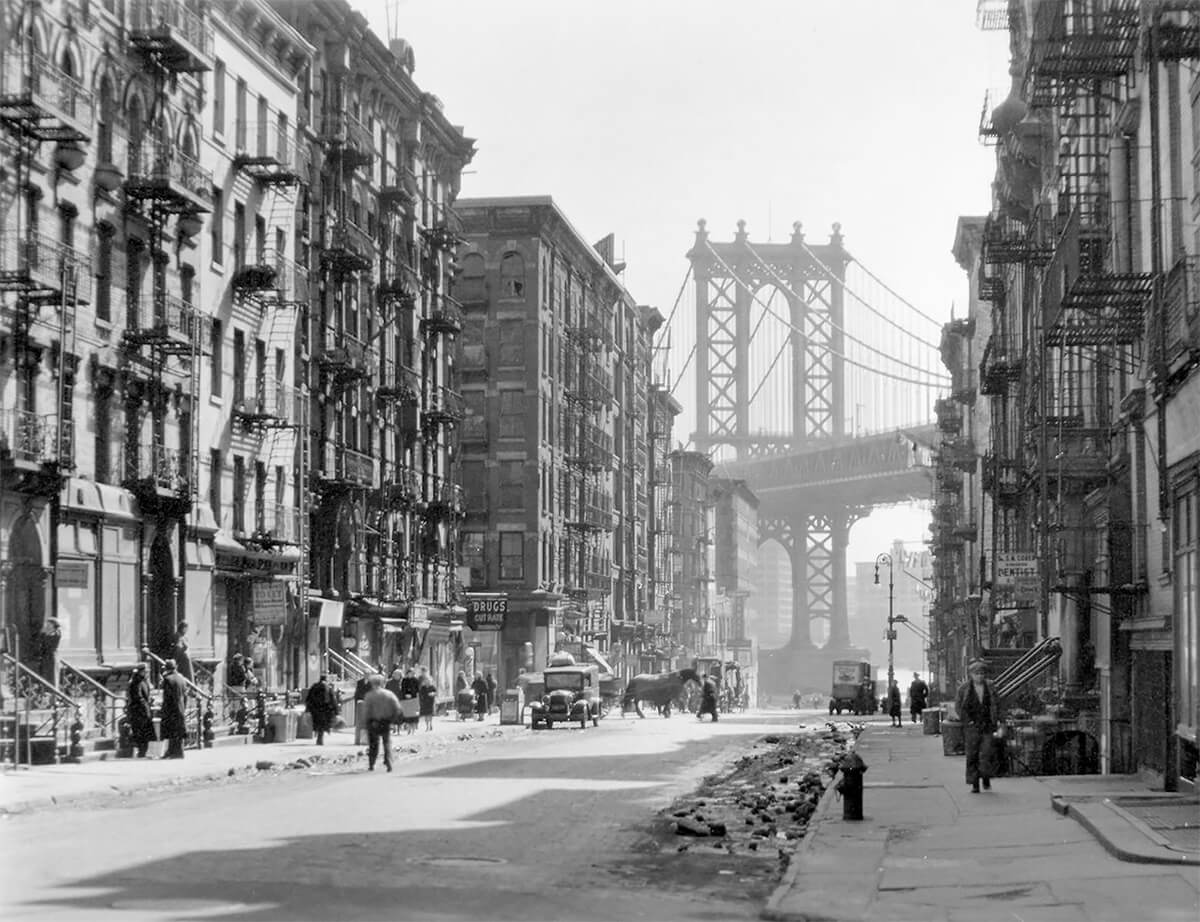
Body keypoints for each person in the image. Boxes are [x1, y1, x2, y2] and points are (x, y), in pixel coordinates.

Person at [955, 659, 1000, 793]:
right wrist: (967, 721)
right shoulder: (964, 688)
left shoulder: (990, 687)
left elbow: (997, 704)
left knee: (986, 753)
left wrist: (999, 720)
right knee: (972, 755)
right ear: (971, 675)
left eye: (982, 673)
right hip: (971, 727)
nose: (980, 676)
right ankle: (975, 783)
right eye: (976, 673)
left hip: (987, 725)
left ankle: (986, 777)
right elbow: (958, 706)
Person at [361, 673, 402, 772]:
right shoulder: (389, 694)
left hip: (373, 721)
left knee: (373, 744)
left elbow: (366, 711)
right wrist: (392, 719)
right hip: (385, 721)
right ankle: (388, 762)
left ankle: (372, 764)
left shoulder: (369, 696)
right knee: (386, 742)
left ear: (372, 684)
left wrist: (365, 723)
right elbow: (397, 708)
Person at [159, 658, 189, 759]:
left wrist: (164, 709)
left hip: (171, 708)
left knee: (171, 731)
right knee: (178, 731)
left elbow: (167, 697)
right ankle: (178, 752)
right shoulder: (181, 678)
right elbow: (185, 695)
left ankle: (172, 752)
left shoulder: (168, 679)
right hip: (180, 707)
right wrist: (184, 706)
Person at [125, 663, 157, 758]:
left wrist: (150, 700)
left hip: (144, 710)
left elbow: (146, 694)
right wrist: (145, 705)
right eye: (145, 671)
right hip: (138, 711)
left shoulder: (144, 681)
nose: (147, 673)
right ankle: (141, 752)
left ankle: (144, 751)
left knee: (145, 732)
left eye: (147, 671)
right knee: (140, 732)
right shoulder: (136, 682)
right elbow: (138, 697)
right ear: (140, 672)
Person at [304, 674, 339, 745]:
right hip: (326, 709)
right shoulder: (328, 687)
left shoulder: (314, 686)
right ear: (326, 679)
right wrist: (336, 711)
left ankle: (319, 737)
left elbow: (309, 698)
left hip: (316, 709)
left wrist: (308, 709)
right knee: (323, 725)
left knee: (318, 723)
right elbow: (333, 700)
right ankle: (320, 737)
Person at [33, 617, 62, 686]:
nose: (47, 626)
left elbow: (49, 643)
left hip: (51, 657)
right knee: (44, 675)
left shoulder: (56, 633)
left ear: (53, 625)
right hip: (44, 657)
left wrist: (44, 634)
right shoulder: (45, 633)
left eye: (49, 624)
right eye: (47, 624)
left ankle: (53, 692)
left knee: (52, 675)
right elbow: (39, 642)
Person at [399, 667, 421, 734]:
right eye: (409, 673)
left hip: (413, 699)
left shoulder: (415, 680)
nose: (410, 674)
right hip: (405, 699)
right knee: (407, 714)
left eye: (411, 673)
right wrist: (405, 694)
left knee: (413, 714)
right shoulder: (404, 680)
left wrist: (413, 695)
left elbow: (417, 690)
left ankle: (413, 729)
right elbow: (402, 689)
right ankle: (408, 728)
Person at [418, 666, 437, 732]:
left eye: (428, 681)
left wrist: (433, 694)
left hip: (431, 701)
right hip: (425, 702)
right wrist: (421, 699)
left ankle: (430, 724)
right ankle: (427, 726)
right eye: (426, 681)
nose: (427, 682)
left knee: (430, 714)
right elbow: (420, 693)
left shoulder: (432, 686)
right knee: (426, 714)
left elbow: (435, 691)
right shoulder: (423, 687)